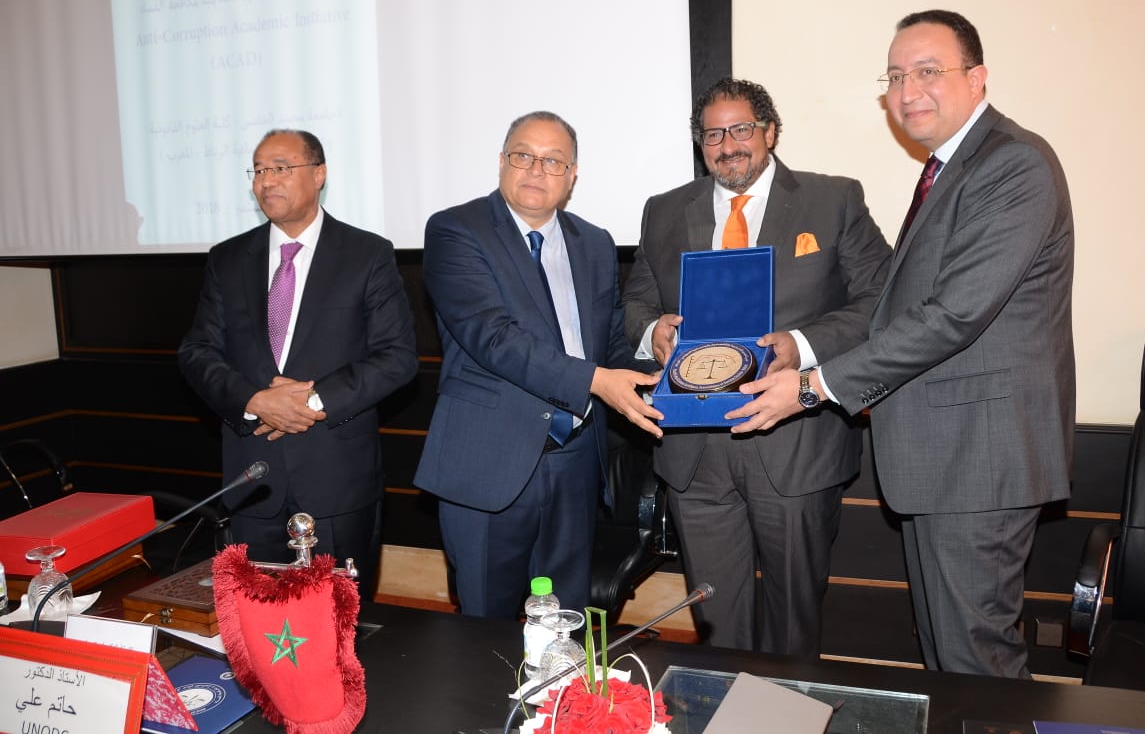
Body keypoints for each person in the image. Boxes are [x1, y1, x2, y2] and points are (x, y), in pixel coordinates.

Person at [730, 10, 1075, 678]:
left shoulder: (1012, 165)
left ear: (977, 78)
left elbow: (954, 316)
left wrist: (813, 387)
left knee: (977, 663)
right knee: (950, 658)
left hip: (980, 461)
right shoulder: (951, 169)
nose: (907, 90)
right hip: (946, 461)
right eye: (894, 77)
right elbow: (899, 308)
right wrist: (803, 351)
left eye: (927, 71)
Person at [622, 78, 891, 657]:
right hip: (694, 450)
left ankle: (788, 704)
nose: (728, 145)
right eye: (713, 135)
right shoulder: (664, 210)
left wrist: (803, 344)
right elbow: (636, 301)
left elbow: (880, 300)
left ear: (770, 131)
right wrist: (652, 332)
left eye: (741, 129)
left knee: (794, 622)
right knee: (717, 623)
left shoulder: (834, 199)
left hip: (795, 443)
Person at [414, 110, 664, 618]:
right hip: (489, 464)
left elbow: (609, 340)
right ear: (501, 161)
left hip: (576, 463)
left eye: (553, 161)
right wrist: (597, 380)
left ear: (572, 176)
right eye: (523, 155)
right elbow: (494, 338)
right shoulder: (456, 230)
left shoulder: (594, 242)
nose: (536, 169)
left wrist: (659, 360)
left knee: (564, 625)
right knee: (486, 629)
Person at [179, 129, 417, 598]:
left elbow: (397, 357)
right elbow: (197, 351)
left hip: (336, 480)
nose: (266, 181)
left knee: (338, 620)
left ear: (319, 174)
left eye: (280, 168)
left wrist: (311, 401)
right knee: (256, 619)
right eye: (258, 171)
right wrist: (254, 401)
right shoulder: (228, 259)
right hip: (254, 481)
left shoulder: (367, 254)